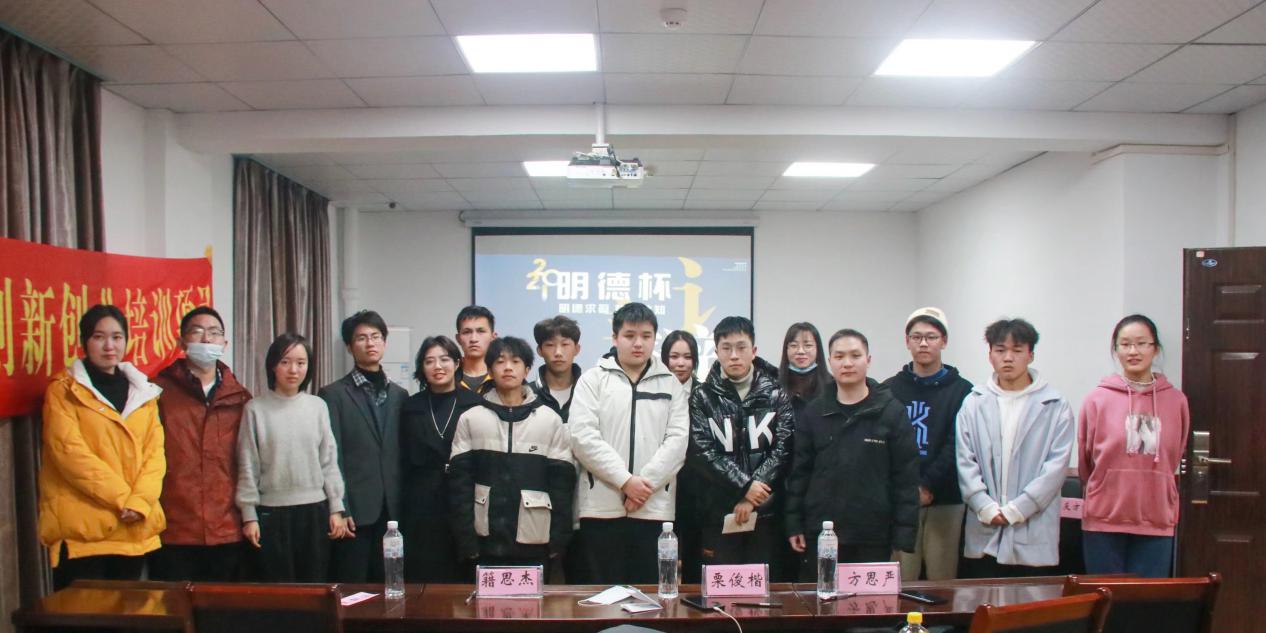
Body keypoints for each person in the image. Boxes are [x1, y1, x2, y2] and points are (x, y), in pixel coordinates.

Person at [39, 304, 166, 590]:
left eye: (117, 337)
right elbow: (71, 456)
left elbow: (155, 455)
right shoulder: (63, 391)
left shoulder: (143, 392)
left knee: (128, 611)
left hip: (133, 530)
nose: (110, 346)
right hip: (85, 534)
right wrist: (125, 500)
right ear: (84, 342)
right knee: (84, 612)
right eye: (99, 337)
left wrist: (139, 503)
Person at [569, 302, 690, 584]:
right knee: (602, 594)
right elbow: (582, 436)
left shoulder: (670, 384)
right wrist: (625, 481)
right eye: (630, 335)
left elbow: (678, 441)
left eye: (646, 336)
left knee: (648, 593)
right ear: (615, 338)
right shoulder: (592, 380)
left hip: (654, 508)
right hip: (601, 507)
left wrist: (643, 486)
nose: (638, 343)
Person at [786, 329, 919, 578]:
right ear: (829, 361)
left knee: (869, 600)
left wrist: (903, 533)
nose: (847, 363)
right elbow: (799, 473)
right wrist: (794, 523)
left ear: (868, 360)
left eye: (855, 355)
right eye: (839, 356)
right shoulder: (814, 412)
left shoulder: (891, 412)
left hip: (873, 534)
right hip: (823, 532)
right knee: (822, 598)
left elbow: (906, 477)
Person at [957, 318, 1074, 578]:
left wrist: (1019, 508)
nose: (1008, 358)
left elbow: (1055, 468)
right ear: (990, 355)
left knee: (1032, 600)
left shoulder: (1055, 405)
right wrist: (984, 506)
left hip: (1033, 527)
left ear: (1030, 355)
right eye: (1000, 350)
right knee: (981, 598)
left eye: (1017, 350)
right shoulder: (973, 403)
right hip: (985, 525)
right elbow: (965, 461)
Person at [449, 337, 576, 572]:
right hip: (484, 540)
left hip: (535, 540)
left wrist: (558, 540)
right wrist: (466, 539)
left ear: (526, 370)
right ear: (490, 370)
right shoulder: (471, 418)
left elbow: (561, 485)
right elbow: (460, 485)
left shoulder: (549, 420)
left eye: (516, 361)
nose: (508, 368)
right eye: (500, 362)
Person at [1079, 314, 1189, 578]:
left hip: (1156, 518)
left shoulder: (1176, 401)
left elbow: (1175, 454)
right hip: (1104, 518)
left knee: (1146, 599)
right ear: (1115, 349)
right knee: (1104, 597)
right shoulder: (1097, 399)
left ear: (1155, 349)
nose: (1133, 351)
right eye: (1125, 344)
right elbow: (1085, 460)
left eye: (1141, 343)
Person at [149, 306, 252, 581]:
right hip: (174, 528)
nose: (207, 339)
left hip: (227, 528)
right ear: (181, 342)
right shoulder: (156, 392)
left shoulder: (241, 397)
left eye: (214, 333)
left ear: (224, 344)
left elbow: (248, 464)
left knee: (223, 607)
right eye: (198, 331)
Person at [687, 316, 795, 580]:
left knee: (762, 587)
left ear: (754, 350)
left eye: (741, 347)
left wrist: (752, 494)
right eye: (726, 348)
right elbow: (701, 451)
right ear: (716, 351)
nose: (734, 355)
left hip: (766, 510)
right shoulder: (702, 396)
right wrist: (744, 486)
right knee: (721, 587)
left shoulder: (776, 393)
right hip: (718, 510)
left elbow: (783, 448)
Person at [236, 333, 348, 582]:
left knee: (315, 586)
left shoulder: (317, 406)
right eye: (285, 362)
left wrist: (336, 508)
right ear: (272, 365)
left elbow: (329, 462)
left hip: (314, 512)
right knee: (279, 591)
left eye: (301, 362)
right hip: (270, 514)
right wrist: (249, 515)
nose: (293, 370)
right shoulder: (255, 409)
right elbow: (247, 465)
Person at [883, 307, 972, 581]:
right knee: (901, 578)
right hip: (900, 499)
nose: (923, 343)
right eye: (916, 337)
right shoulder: (888, 389)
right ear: (907, 341)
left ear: (944, 341)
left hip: (945, 498)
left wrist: (927, 485)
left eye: (931, 337)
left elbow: (957, 443)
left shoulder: (964, 391)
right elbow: (884, 443)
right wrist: (906, 488)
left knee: (942, 578)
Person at [319, 310, 409, 582]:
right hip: (355, 512)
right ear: (349, 346)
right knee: (353, 586)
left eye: (376, 336)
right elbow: (331, 457)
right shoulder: (333, 395)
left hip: (394, 511)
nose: (370, 343)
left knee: (391, 584)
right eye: (361, 338)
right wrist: (340, 507)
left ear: (384, 342)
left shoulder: (400, 395)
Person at [400, 336, 484, 582]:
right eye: (429, 361)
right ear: (422, 368)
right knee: (424, 572)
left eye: (444, 359)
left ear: (457, 363)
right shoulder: (410, 406)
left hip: (463, 498)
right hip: (421, 502)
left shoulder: (475, 404)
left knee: (463, 571)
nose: (438, 366)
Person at [661, 329, 703, 584]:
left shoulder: (705, 393)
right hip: (660, 481)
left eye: (687, 357)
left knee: (694, 550)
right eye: (674, 356)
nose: (680, 363)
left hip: (695, 483)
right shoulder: (655, 391)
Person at [530, 315, 583, 422]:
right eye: (550, 345)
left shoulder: (589, 392)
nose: (558, 352)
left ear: (577, 349)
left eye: (565, 344)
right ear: (539, 350)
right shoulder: (526, 395)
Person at [778, 322, 830, 414]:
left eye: (808, 345)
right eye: (794, 345)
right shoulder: (774, 385)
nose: (801, 351)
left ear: (818, 349)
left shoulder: (832, 385)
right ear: (786, 349)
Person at [455, 305, 497, 395]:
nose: (473, 339)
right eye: (467, 332)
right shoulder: (448, 377)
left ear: (493, 337)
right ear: (458, 339)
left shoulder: (504, 376)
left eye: (481, 331)